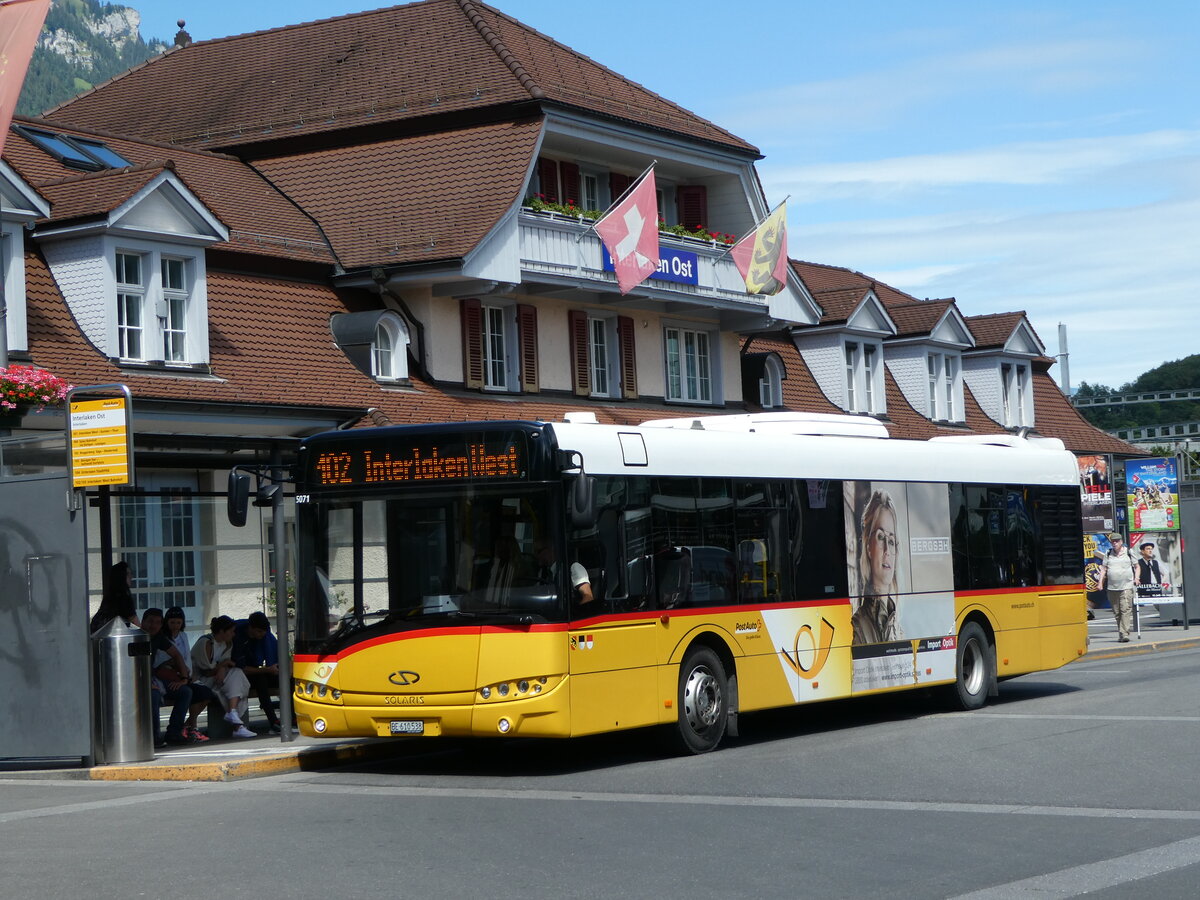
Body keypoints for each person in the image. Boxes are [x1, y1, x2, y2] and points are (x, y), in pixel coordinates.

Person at [191, 615, 255, 738]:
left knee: (237, 673)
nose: (234, 634)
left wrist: (222, 667)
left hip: (215, 678)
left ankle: (233, 713)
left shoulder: (227, 644)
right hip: (199, 680)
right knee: (234, 682)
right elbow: (205, 671)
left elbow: (224, 665)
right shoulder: (206, 643)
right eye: (231, 631)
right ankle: (237, 726)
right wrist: (223, 665)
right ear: (221, 631)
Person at [853, 489, 902, 645]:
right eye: (881, 537)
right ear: (868, 547)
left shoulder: (898, 626)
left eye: (892, 541)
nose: (887, 550)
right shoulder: (857, 625)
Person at [140, 607, 193, 747]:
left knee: (185, 692)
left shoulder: (159, 637)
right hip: (137, 680)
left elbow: (176, 655)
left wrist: (184, 679)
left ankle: (174, 733)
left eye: (158, 622)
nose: (154, 625)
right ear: (142, 622)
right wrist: (146, 682)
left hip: (155, 680)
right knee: (154, 695)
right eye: (150, 621)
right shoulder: (136, 637)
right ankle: (153, 737)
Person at [162, 606, 213, 742]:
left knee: (206, 693)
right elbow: (165, 662)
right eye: (172, 622)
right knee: (187, 692)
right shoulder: (163, 638)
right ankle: (180, 729)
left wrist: (188, 676)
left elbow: (186, 657)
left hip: (185, 676)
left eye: (178, 623)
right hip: (170, 677)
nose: (175, 626)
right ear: (166, 622)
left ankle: (187, 725)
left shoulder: (183, 636)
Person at [232, 611, 281, 733]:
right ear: (251, 628)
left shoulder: (265, 636)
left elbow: (273, 657)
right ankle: (273, 721)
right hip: (239, 675)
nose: (262, 635)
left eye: (264, 632)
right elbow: (242, 668)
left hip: (258, 671)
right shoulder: (238, 637)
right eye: (259, 631)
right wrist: (267, 670)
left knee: (287, 680)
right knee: (261, 681)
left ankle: (293, 718)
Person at [533, 539, 593, 605]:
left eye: (539, 551)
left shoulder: (574, 567)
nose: (536, 556)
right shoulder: (542, 573)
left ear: (551, 549)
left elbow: (588, 597)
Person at [1099, 532, 1135, 642]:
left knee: (1125, 609)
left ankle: (1124, 633)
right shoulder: (1108, 553)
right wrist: (1100, 582)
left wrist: (1136, 578)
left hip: (1126, 586)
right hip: (1112, 587)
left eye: (1116, 541)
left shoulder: (1129, 552)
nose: (1114, 543)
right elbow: (1104, 569)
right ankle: (1121, 632)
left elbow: (1137, 566)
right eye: (1112, 542)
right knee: (1117, 612)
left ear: (1121, 542)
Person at [90, 561, 140, 634]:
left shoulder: (108, 597)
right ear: (122, 576)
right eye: (128, 574)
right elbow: (136, 625)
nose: (131, 577)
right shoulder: (124, 598)